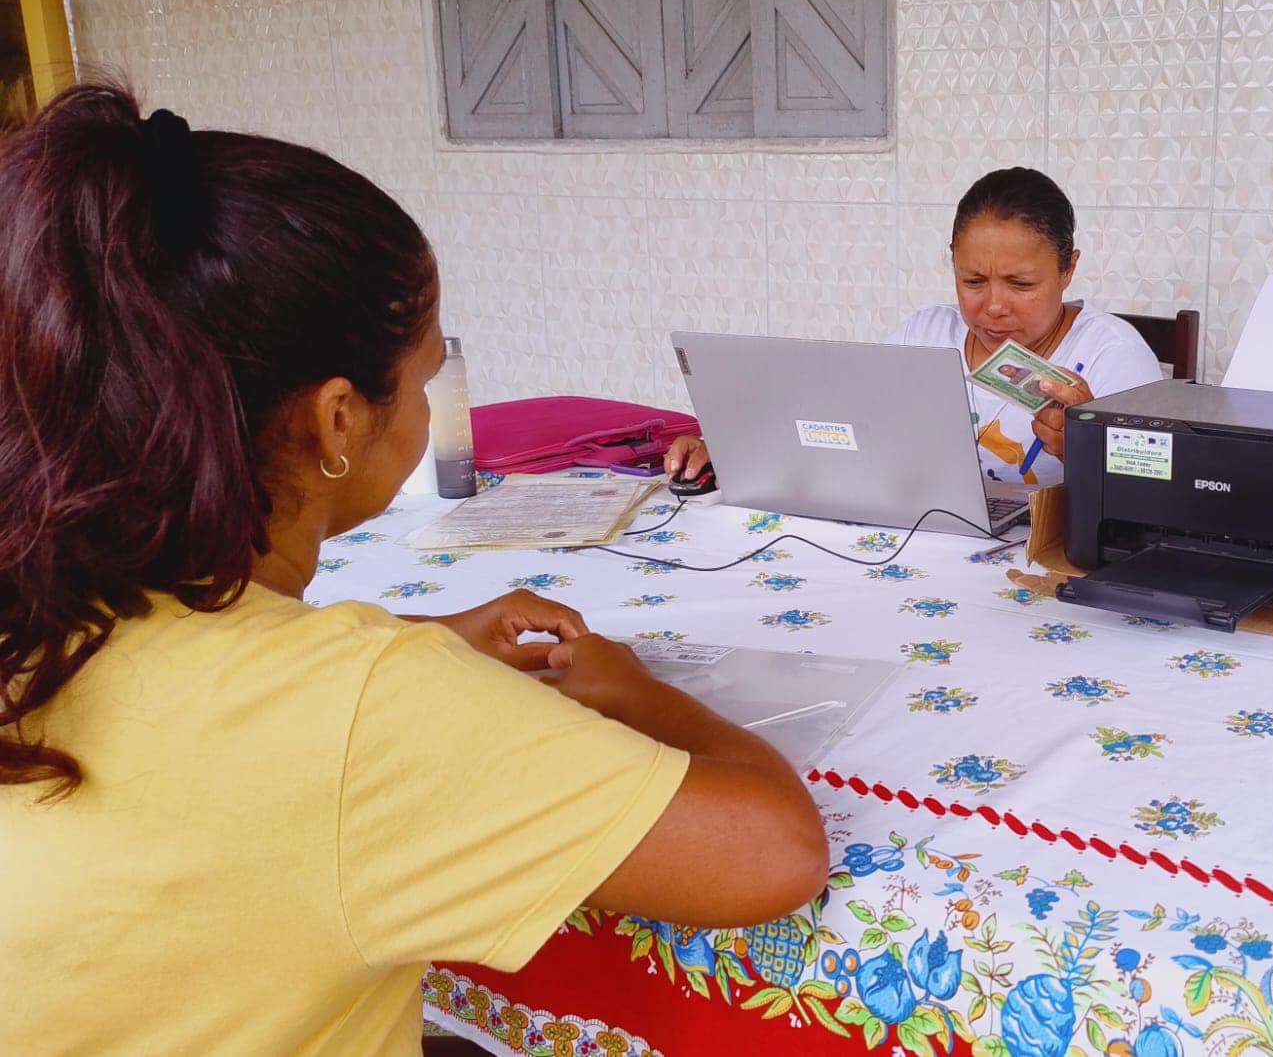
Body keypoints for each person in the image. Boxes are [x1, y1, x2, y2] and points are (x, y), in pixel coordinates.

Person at [0, 84, 827, 1055]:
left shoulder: (42, 603)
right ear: (337, 419)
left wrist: (412, 644)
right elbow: (774, 852)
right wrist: (635, 690)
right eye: (425, 373)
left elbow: (208, 725)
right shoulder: (364, 709)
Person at [668, 167, 1162, 489]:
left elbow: (1157, 501)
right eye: (972, 280)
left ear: (1068, 269)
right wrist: (734, 450)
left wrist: (1093, 454)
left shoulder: (1112, 356)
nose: (993, 307)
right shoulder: (923, 336)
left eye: (1020, 284)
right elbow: (840, 431)